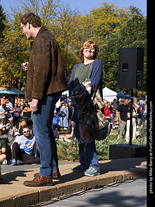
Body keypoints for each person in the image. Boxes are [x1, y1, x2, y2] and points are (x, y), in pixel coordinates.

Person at [20, 13, 68, 187]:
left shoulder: (41, 40)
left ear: (29, 25)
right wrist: (30, 66)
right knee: (46, 131)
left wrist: (35, 97)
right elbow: (42, 67)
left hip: (45, 93)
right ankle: (52, 169)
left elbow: (42, 72)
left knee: (40, 132)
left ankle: (46, 174)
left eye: (22, 28)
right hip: (50, 91)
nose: (23, 31)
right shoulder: (47, 37)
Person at [69, 40, 103, 177]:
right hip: (77, 104)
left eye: (93, 49)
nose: (90, 50)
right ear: (82, 51)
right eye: (87, 48)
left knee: (86, 133)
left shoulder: (97, 63)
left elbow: (94, 84)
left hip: (88, 104)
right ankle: (84, 162)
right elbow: (71, 84)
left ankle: (94, 164)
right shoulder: (76, 67)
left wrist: (78, 94)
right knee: (78, 133)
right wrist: (74, 97)